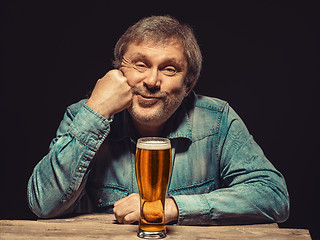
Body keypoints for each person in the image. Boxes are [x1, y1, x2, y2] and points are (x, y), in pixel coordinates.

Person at [27, 15, 289, 225]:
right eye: (140, 65)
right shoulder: (83, 115)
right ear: (119, 72)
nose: (151, 81)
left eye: (169, 69)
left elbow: (273, 196)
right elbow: (44, 204)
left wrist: (171, 207)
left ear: (189, 84)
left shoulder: (217, 120)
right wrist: (96, 110)